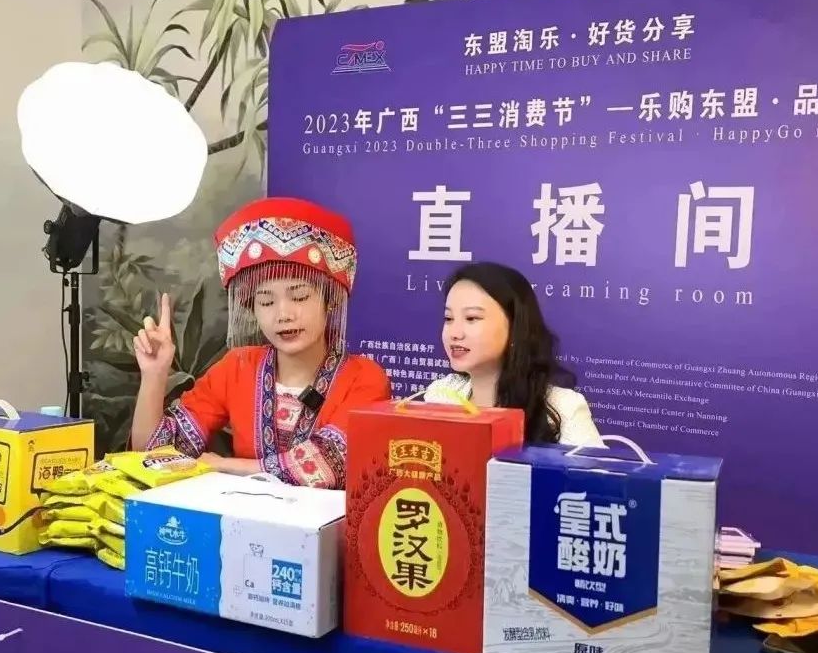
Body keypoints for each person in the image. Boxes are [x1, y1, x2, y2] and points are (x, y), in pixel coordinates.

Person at [130, 196, 391, 487]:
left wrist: (224, 466)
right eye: (266, 302)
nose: (283, 314)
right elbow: (153, 454)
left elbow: (329, 463)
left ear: (329, 300)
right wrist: (154, 375)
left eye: (300, 296)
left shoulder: (365, 378)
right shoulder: (238, 367)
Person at [424, 261, 602, 447]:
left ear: (516, 327)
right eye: (448, 318)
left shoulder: (563, 408)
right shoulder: (440, 396)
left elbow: (593, 467)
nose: (454, 333)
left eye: (472, 318)